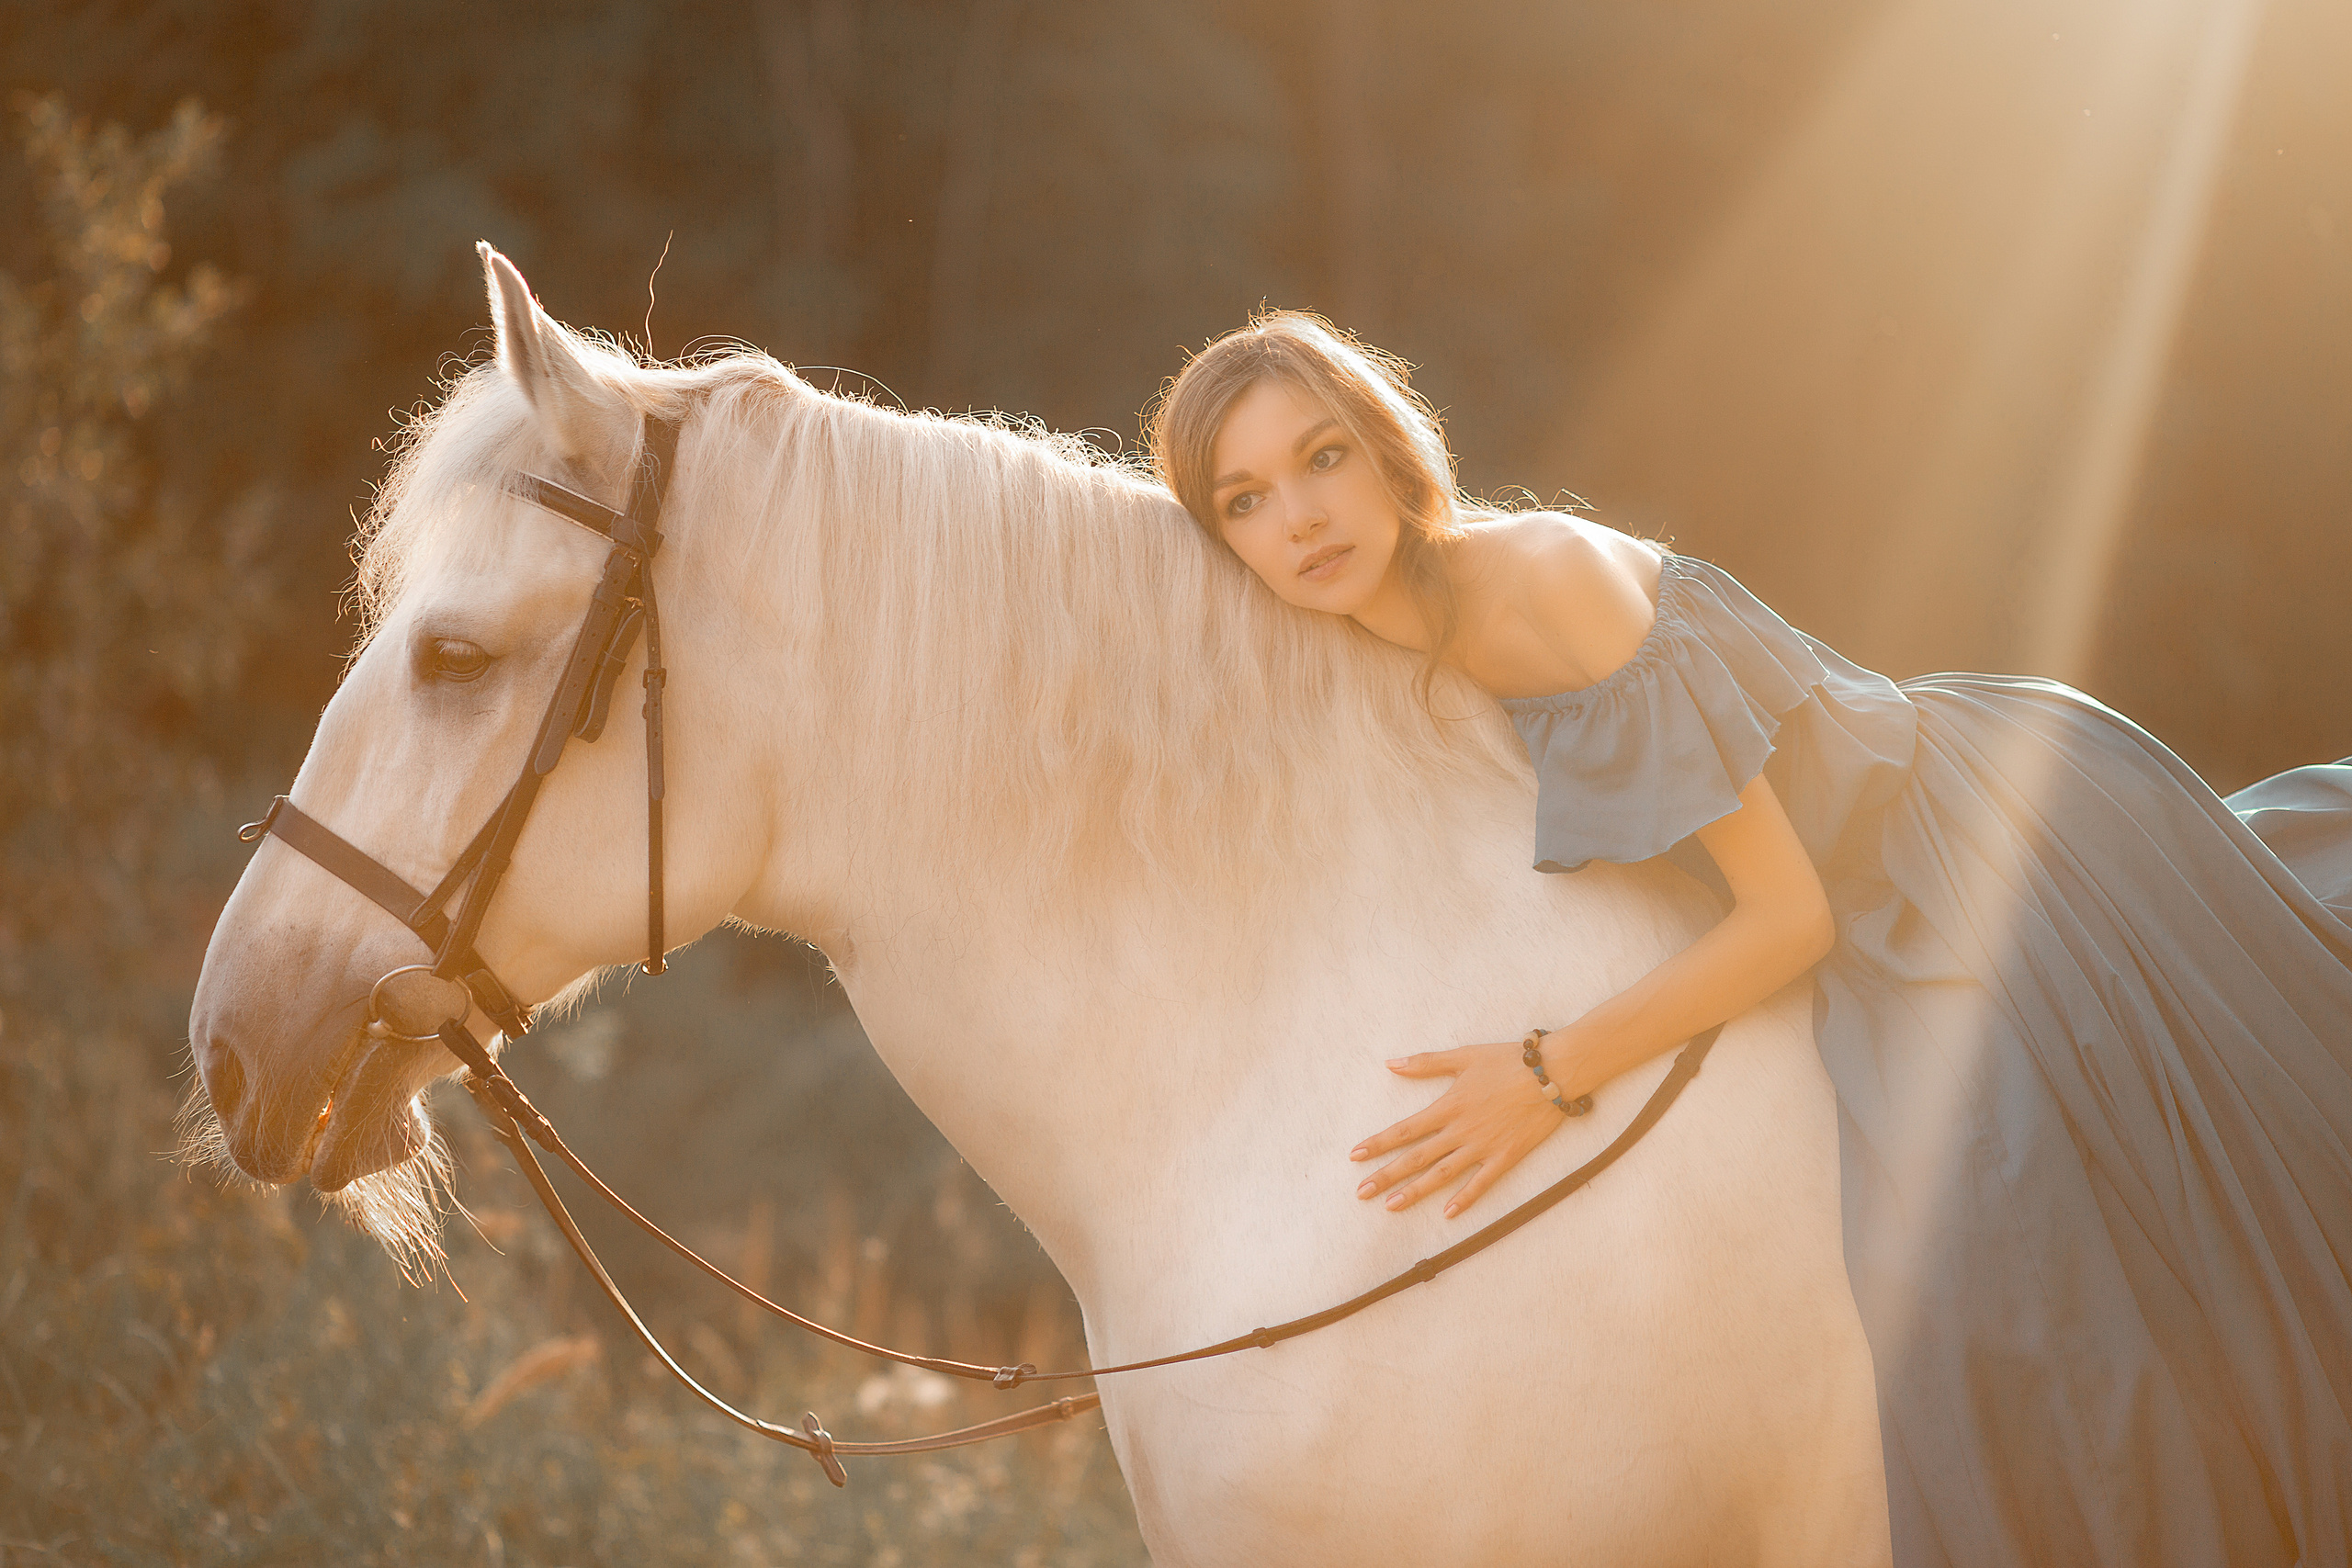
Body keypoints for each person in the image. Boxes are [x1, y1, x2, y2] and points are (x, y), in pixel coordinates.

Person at [1146, 310, 2352, 1568]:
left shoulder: (1544, 585)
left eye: (1323, 458)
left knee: (2029, 1259)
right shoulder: (1342, 641)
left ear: (1387, 450)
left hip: (1953, 859)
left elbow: (1791, 916)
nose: (1299, 518)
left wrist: (1549, 1071)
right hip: (1861, 898)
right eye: (1245, 499)